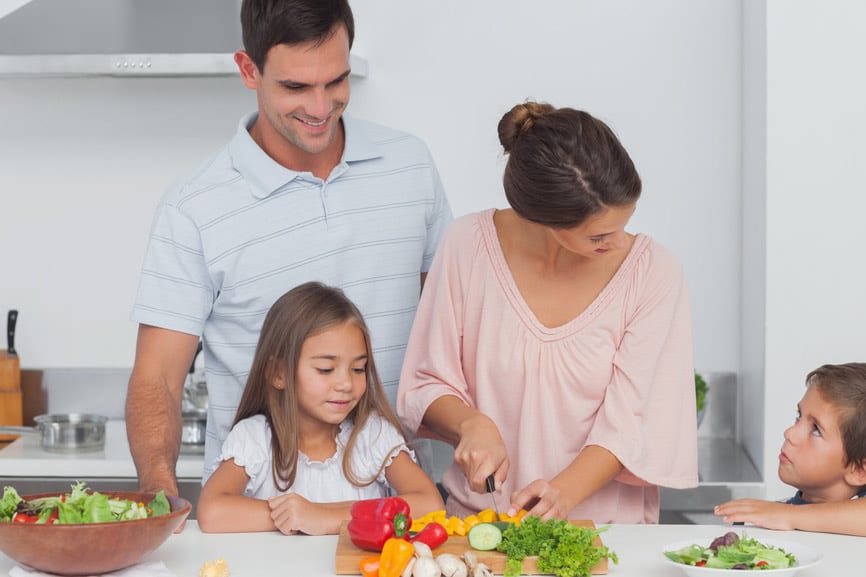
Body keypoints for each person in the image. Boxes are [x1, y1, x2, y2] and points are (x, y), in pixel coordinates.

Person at [125, 0, 452, 501]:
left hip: (400, 523)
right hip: (256, 525)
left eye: (335, 81)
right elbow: (159, 381)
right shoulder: (194, 206)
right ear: (248, 69)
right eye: (296, 87)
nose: (320, 108)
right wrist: (158, 489)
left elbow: (452, 330)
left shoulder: (409, 166)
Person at [397, 101, 698, 525]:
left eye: (622, 224)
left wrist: (562, 494)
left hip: (607, 536)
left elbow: (635, 421)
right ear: (544, 220)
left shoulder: (654, 273)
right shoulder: (466, 246)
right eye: (598, 235)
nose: (616, 243)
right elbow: (426, 382)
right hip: (479, 528)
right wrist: (470, 423)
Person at [196, 282, 444, 534]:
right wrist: (295, 516)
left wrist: (324, 517)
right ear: (278, 373)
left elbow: (431, 505)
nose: (346, 383)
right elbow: (211, 511)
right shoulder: (255, 438)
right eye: (326, 369)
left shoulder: (373, 436)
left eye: (358, 369)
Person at [714, 362, 866, 536]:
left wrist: (789, 516)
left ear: (860, 470)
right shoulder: (761, 520)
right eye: (799, 416)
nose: (790, 433)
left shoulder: (783, 516)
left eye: (816, 429)